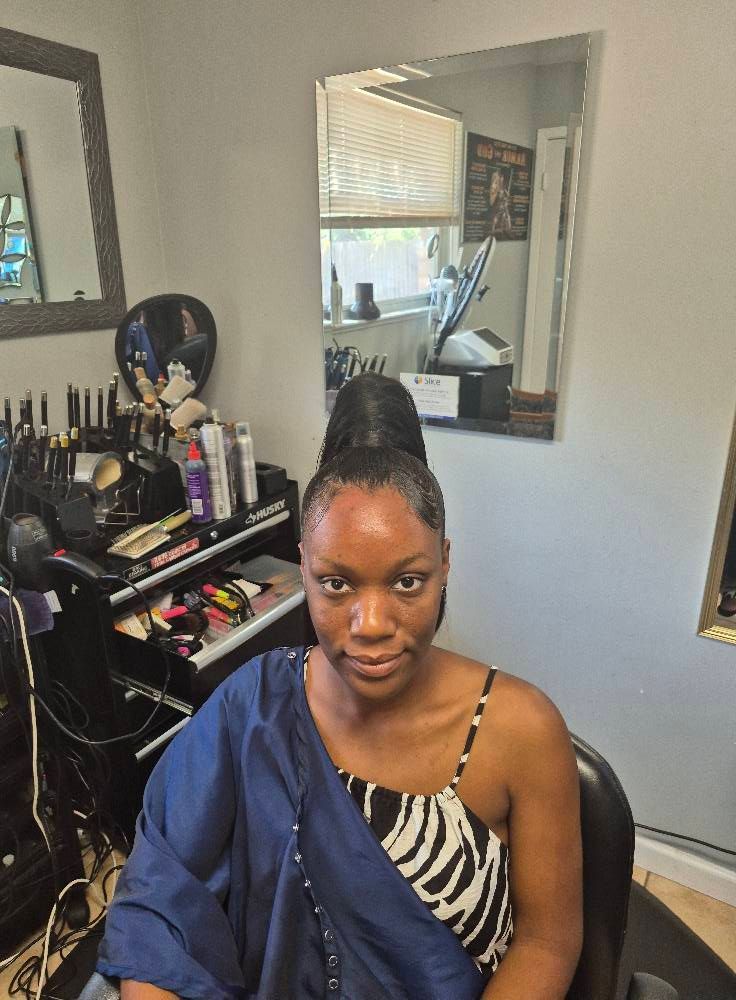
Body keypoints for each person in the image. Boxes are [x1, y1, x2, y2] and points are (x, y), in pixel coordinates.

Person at [97, 373, 582, 999]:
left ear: (445, 564)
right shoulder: (254, 706)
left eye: (407, 582)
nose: (372, 626)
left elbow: (548, 942)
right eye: (337, 584)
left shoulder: (522, 730)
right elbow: (157, 896)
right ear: (303, 567)